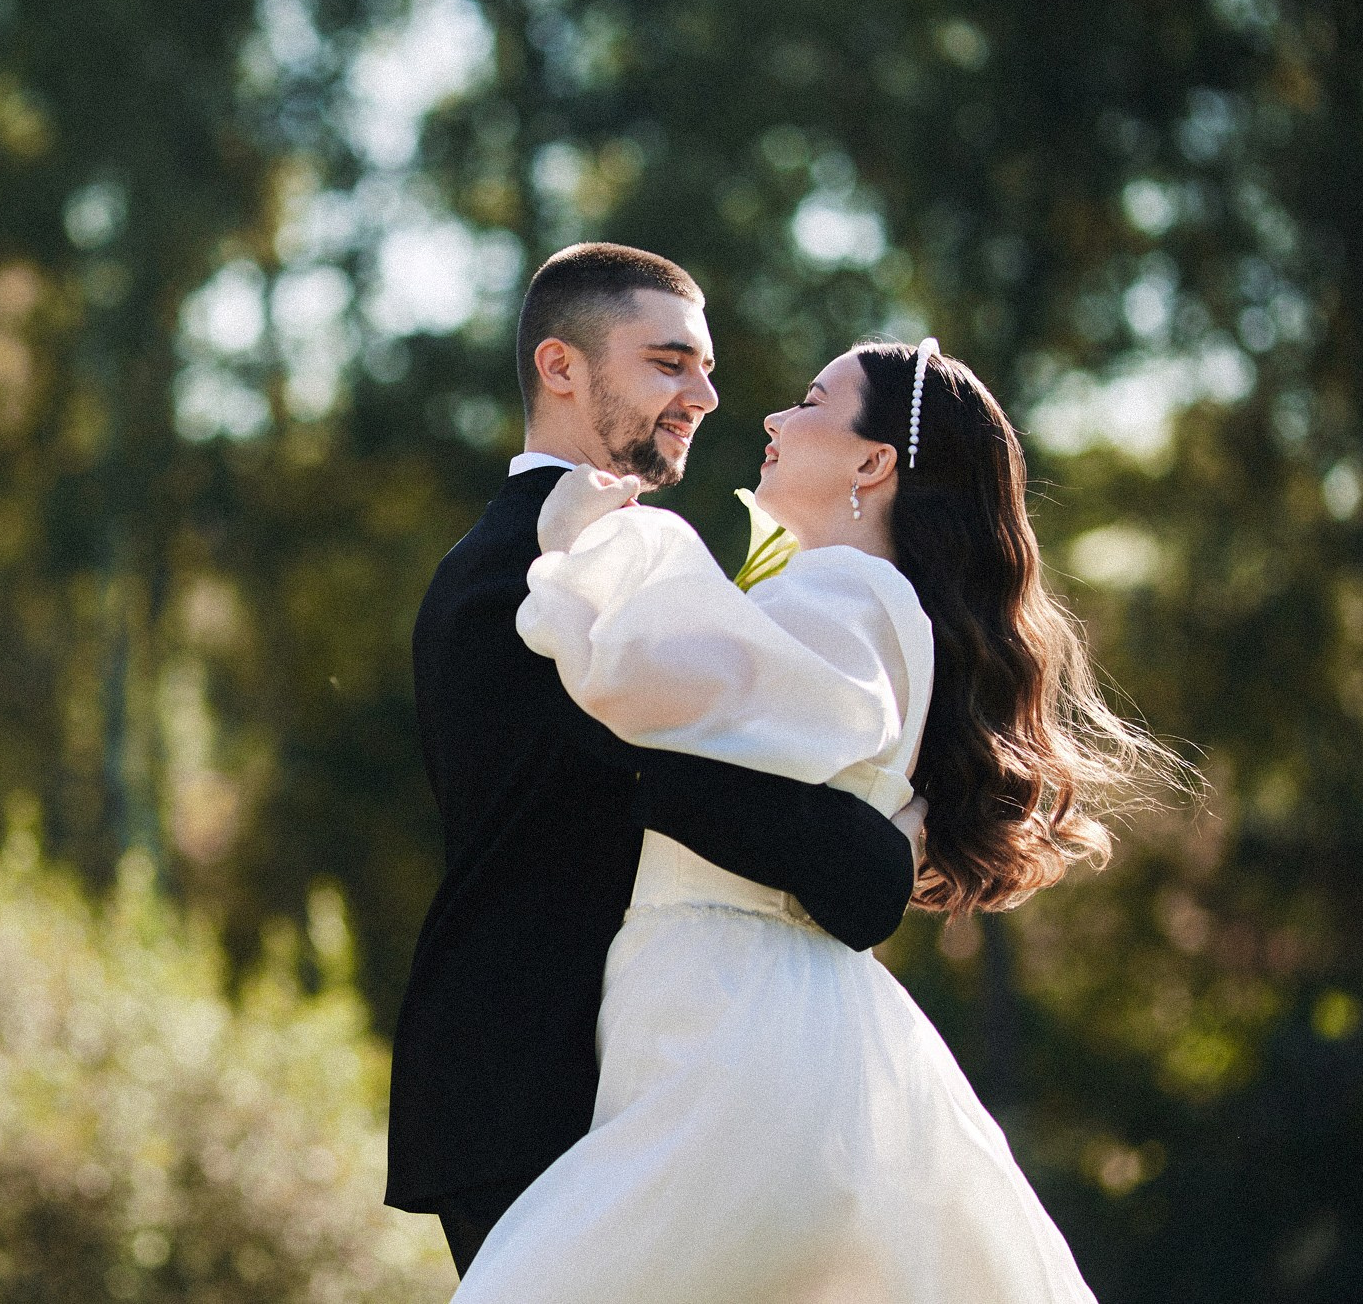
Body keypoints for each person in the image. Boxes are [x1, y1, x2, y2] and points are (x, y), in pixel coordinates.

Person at [447, 338, 1180, 1302]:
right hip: (749, 1010)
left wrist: (586, 542)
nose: (774, 420)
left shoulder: (851, 593)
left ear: (874, 462)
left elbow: (650, 680)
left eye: (809, 402)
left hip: (737, 1019)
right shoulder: (850, 604)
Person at [385, 243, 927, 1275]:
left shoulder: (612, 568)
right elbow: (663, 779)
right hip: (531, 1079)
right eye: (668, 363)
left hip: (644, 1068)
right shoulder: (520, 571)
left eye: (706, 368)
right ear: (561, 367)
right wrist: (881, 854)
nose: (705, 395)